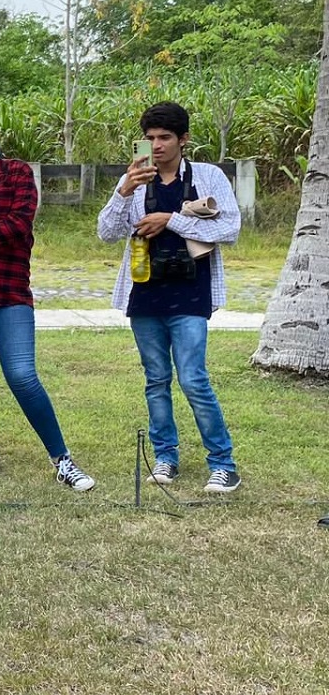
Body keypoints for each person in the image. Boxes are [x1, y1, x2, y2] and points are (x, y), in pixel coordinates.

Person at [0, 112, 97, 492]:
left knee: (22, 374)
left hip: (9, 286)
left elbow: (17, 224)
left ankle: (62, 459)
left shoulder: (18, 173)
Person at [97, 101, 242, 493]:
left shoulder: (207, 176)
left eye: (164, 138)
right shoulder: (136, 181)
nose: (156, 146)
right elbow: (106, 232)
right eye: (149, 139)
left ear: (184, 139)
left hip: (191, 291)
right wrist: (123, 191)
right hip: (144, 293)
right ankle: (165, 456)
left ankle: (223, 463)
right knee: (156, 379)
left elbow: (230, 226)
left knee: (194, 378)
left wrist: (171, 220)